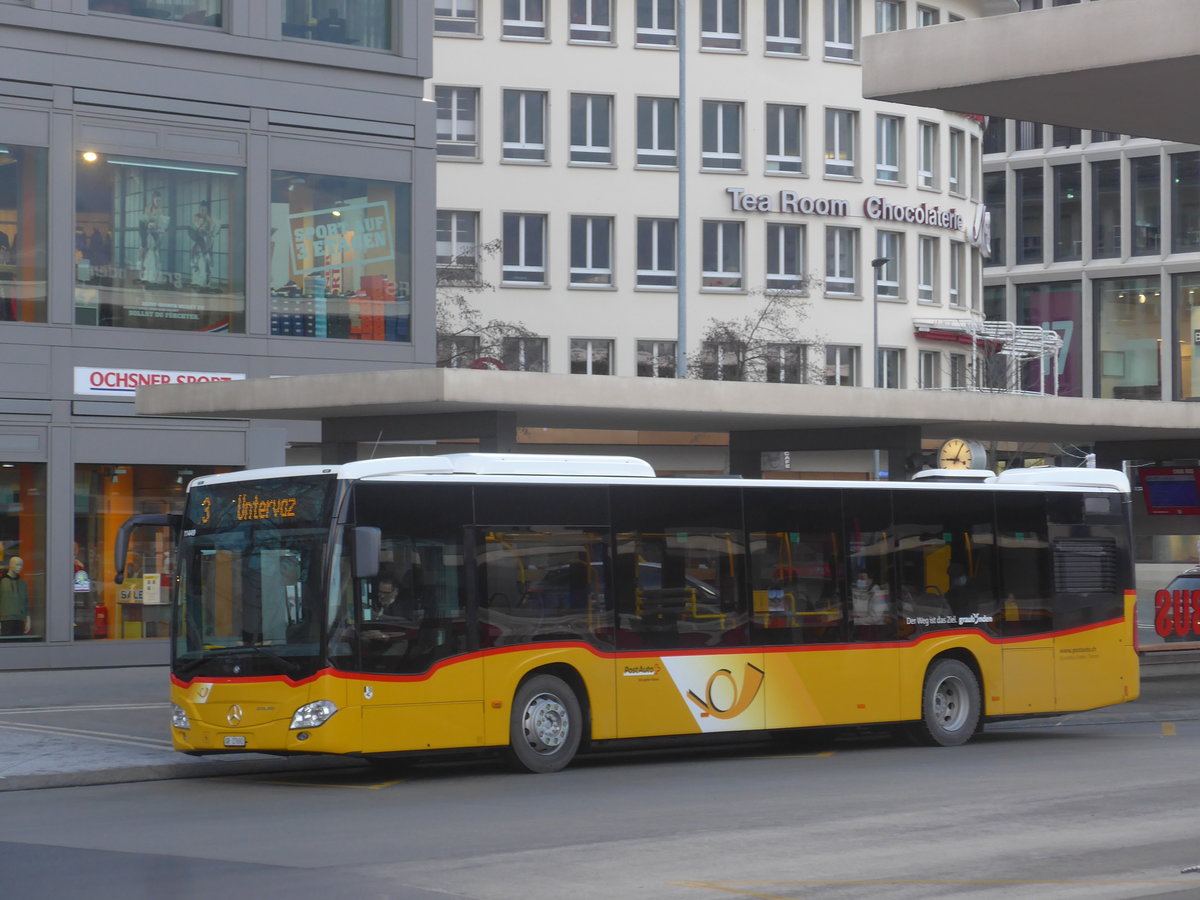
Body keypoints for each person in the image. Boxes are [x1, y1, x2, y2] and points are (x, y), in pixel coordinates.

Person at [139, 191, 168, 285]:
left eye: (159, 200)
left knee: (156, 250)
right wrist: (150, 224)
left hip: (156, 231)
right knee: (145, 246)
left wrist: (161, 228)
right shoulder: (148, 208)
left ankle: (155, 274)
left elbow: (163, 222)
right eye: (156, 200)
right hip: (146, 229)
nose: (158, 202)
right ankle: (143, 268)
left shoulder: (161, 210)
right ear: (153, 199)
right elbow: (146, 220)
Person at [189, 202, 218, 289]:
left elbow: (213, 232)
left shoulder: (209, 220)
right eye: (201, 209)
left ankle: (204, 282)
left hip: (206, 242)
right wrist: (197, 230)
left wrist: (207, 232)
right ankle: (195, 281)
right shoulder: (196, 218)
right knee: (196, 261)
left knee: (205, 262)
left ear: (207, 210)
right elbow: (191, 230)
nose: (202, 211)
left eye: (204, 209)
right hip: (197, 241)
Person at [0, 556, 30, 636]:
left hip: (20, 620)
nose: (20, 567)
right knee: (8, 646)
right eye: (17, 565)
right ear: (11, 565)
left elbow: (26, 602)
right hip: (5, 620)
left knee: (19, 645)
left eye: (21, 565)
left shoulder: (23, 584)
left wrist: (28, 619)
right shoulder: (2, 582)